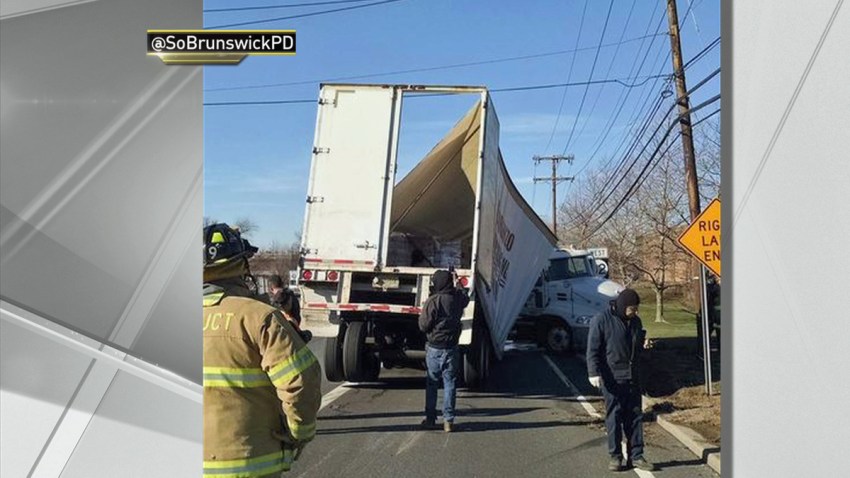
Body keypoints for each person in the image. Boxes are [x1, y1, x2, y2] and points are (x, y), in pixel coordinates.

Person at [203, 223, 322, 477]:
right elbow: (301, 382)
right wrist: (299, 433)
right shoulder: (260, 318)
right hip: (250, 464)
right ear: (241, 266)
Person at [586, 288, 655, 472]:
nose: (636, 312)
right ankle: (615, 456)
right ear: (623, 306)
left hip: (632, 377)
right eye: (633, 308)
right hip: (612, 378)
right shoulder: (602, 320)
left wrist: (644, 344)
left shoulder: (635, 322)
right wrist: (593, 372)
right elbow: (592, 349)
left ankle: (637, 456)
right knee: (614, 418)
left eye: (636, 308)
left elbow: (635, 346)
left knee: (634, 417)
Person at [418, 269, 469, 432]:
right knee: (450, 383)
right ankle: (449, 420)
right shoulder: (457, 299)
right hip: (452, 347)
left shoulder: (433, 301)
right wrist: (459, 284)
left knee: (432, 383)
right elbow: (465, 297)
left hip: (434, 347)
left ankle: (431, 419)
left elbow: (423, 325)